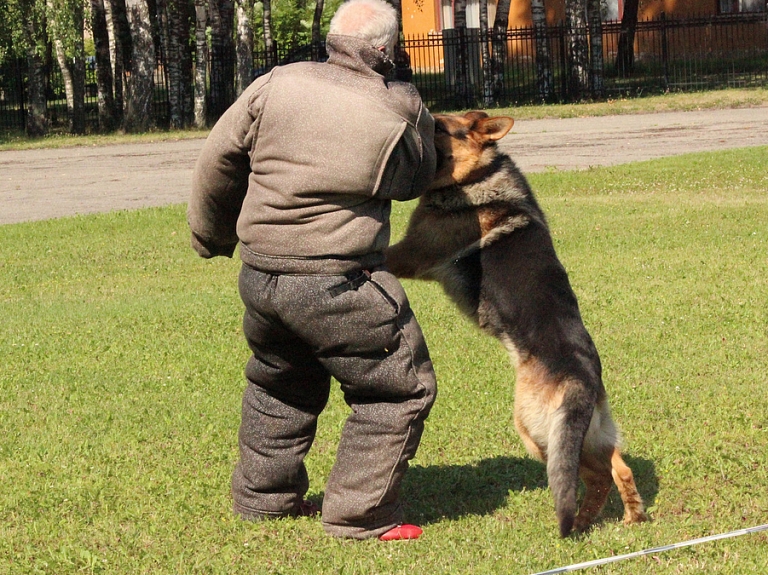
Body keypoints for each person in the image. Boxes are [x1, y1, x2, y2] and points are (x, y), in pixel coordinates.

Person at [187, 0, 437, 541]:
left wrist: (211, 234)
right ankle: (359, 515)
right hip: (337, 280)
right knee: (398, 389)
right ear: (386, 50)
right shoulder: (399, 106)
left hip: (261, 276)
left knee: (280, 385)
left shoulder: (275, 83)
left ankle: (263, 499)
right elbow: (414, 179)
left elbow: (219, 157)